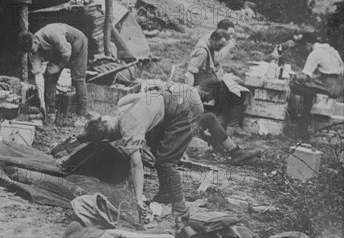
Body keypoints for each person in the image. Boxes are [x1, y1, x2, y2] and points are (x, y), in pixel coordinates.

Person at [81, 82, 203, 228]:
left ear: (106, 139)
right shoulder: (121, 107)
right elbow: (140, 96)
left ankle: (181, 210)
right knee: (158, 151)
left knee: (166, 161)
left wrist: (139, 198)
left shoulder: (129, 126)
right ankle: (165, 193)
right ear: (105, 119)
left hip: (186, 106)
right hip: (176, 94)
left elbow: (136, 164)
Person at [19, 24, 89, 127]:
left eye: (33, 49)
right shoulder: (31, 50)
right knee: (49, 76)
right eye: (29, 52)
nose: (33, 53)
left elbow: (66, 52)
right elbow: (38, 75)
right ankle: (50, 113)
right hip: (60, 50)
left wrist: (58, 66)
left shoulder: (51, 33)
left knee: (78, 78)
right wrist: (42, 104)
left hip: (76, 42)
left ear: (35, 41)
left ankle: (82, 116)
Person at [289, 33, 344, 139]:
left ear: (307, 45)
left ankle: (303, 126)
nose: (305, 50)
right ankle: (305, 122)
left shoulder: (315, 53)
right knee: (309, 89)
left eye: (304, 47)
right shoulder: (330, 50)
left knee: (298, 87)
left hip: (329, 86)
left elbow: (304, 77)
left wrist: (294, 76)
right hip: (339, 85)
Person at [195, 82, 261, 165]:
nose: (209, 100)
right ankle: (235, 152)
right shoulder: (194, 97)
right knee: (210, 118)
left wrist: (203, 130)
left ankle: (235, 152)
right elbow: (184, 123)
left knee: (209, 118)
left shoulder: (196, 94)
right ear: (205, 93)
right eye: (210, 97)